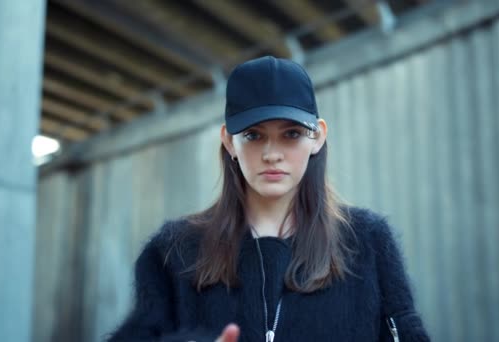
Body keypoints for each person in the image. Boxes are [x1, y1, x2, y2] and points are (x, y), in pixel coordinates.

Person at [107, 56, 429, 342]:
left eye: (291, 134)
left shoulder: (368, 241)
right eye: (253, 135)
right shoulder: (173, 251)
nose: (272, 154)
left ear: (317, 136)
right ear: (229, 142)